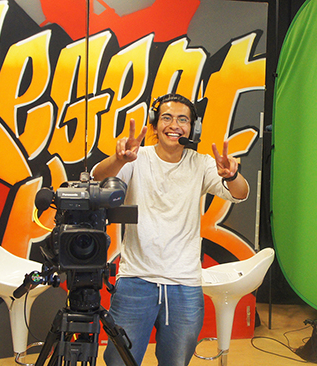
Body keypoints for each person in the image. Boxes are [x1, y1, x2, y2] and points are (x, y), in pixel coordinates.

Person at [92, 93, 249, 366]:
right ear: (154, 124)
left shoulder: (201, 164)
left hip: (184, 284)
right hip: (135, 280)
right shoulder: (136, 158)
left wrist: (232, 175)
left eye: (182, 120)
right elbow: (98, 176)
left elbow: (241, 193)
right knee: (119, 361)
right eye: (166, 117)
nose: (174, 125)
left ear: (193, 128)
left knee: (176, 362)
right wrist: (119, 159)